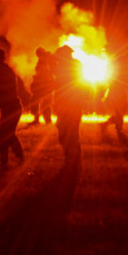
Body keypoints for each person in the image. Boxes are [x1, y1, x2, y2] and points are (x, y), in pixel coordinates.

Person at [0, 44, 28, 167]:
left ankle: (10, 160)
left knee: (3, 135)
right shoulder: (6, 70)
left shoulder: (0, 71)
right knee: (5, 134)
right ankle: (10, 160)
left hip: (11, 108)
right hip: (12, 107)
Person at [53, 45, 85, 173]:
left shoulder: (64, 68)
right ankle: (73, 161)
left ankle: (73, 161)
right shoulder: (75, 65)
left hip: (70, 105)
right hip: (71, 105)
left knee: (68, 134)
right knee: (68, 133)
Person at [29, 47, 54, 124]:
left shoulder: (44, 61)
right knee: (43, 103)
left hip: (43, 86)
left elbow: (42, 74)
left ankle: (43, 120)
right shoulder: (44, 60)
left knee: (40, 103)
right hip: (45, 86)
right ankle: (45, 120)